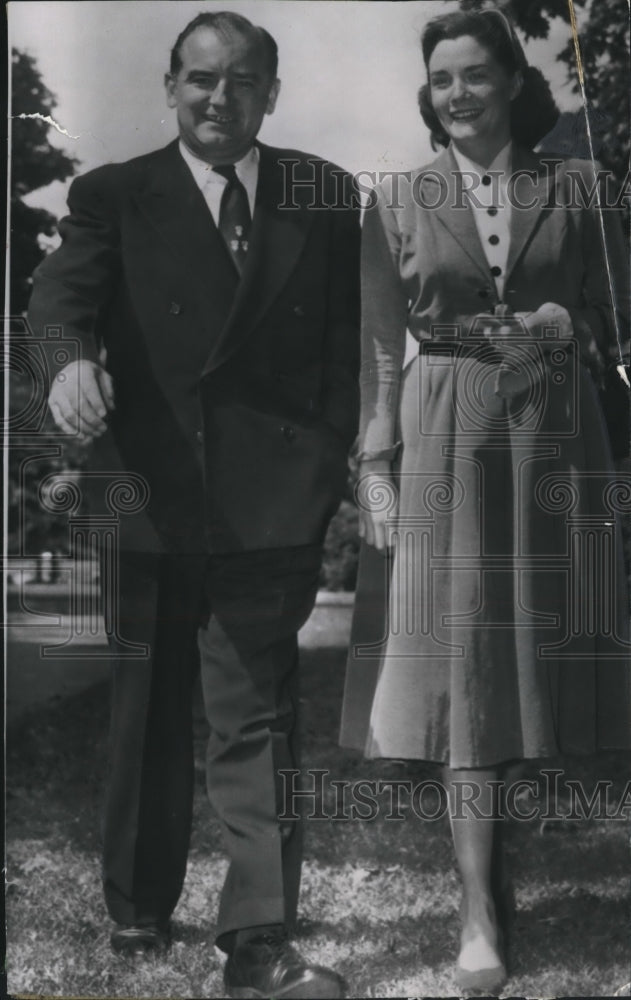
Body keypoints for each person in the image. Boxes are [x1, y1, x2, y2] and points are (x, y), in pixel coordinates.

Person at [27, 11, 359, 998]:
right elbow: (59, 305)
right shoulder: (113, 195)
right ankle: (137, 907)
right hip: (145, 493)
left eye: (243, 81)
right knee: (145, 708)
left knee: (259, 717)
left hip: (270, 506)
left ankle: (258, 942)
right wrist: (66, 366)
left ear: (272, 93)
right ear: (171, 86)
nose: (221, 99)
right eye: (202, 80)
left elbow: (348, 343)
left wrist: (327, 467)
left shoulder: (322, 195)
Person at [340, 8, 630, 995]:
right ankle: (476, 916)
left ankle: (504, 875)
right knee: (464, 672)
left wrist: (564, 319)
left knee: (537, 668)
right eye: (442, 79)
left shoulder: (581, 186)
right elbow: (382, 345)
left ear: (511, 79)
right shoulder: (397, 197)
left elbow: (608, 311)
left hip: (551, 429)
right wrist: (375, 465)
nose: (457, 94)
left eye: (475, 75)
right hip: (447, 436)